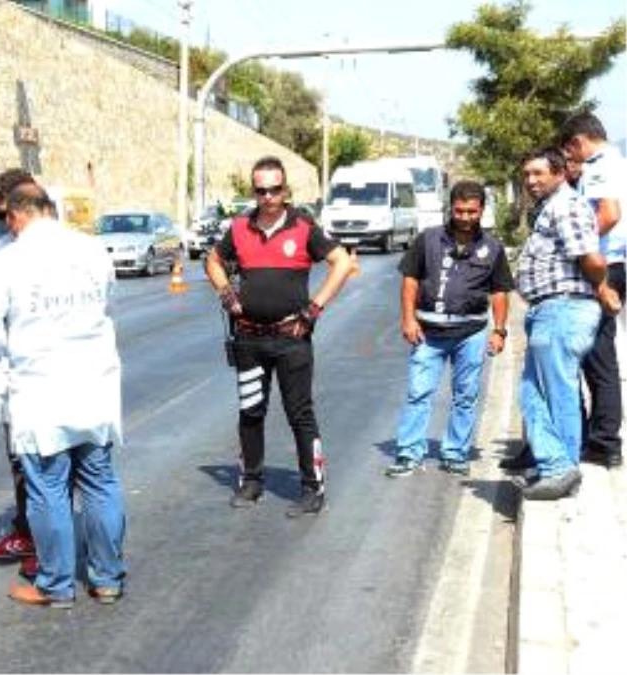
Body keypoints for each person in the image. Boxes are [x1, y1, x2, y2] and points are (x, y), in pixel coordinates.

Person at [0, 183, 126, 608]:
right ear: (48, 209)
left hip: (41, 389)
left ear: (18, 215)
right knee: (99, 481)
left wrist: (16, 348)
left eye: (7, 219)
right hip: (94, 382)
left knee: (48, 487)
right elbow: (110, 302)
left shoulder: (9, 260)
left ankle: (56, 585)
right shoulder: (93, 250)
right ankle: (107, 578)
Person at [204, 156, 354, 517]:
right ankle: (251, 481)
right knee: (251, 411)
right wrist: (226, 292)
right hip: (249, 340)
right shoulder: (239, 228)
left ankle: (312, 487)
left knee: (299, 414)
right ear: (253, 191)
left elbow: (342, 263)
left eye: (275, 189)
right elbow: (212, 261)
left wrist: (315, 308)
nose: (268, 196)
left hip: (292, 338)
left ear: (285, 190)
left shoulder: (304, 227)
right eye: (261, 190)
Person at [387, 181, 513, 477]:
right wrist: (408, 319)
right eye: (460, 210)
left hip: (471, 333)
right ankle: (408, 453)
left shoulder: (493, 249)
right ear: (451, 208)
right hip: (428, 334)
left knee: (466, 396)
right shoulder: (428, 240)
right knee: (418, 393)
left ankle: (455, 452)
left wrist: (500, 331)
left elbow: (499, 292)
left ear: (481, 210)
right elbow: (410, 280)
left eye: (472, 211)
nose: (466, 217)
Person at [514, 147, 619, 500]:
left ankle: (561, 470)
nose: (531, 181)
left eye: (538, 173)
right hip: (549, 310)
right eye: (526, 174)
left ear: (559, 173)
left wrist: (602, 287)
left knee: (556, 391)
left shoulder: (566, 206)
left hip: (563, 309)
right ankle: (555, 465)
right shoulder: (552, 208)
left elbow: (591, 258)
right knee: (533, 392)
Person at [0, 168, 41, 579]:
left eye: (6, 214)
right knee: (21, 462)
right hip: (15, 376)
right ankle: (27, 532)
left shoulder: (65, 249)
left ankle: (48, 547)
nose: (4, 224)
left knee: (51, 469)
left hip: (52, 376)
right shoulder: (2, 253)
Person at [562, 112, 627, 469]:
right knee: (600, 354)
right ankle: (602, 439)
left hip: (606, 264)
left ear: (578, 142)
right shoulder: (621, 162)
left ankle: (604, 442)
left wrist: (577, 246)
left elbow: (610, 213)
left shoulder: (600, 166)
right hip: (618, 262)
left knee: (597, 357)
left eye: (572, 152)